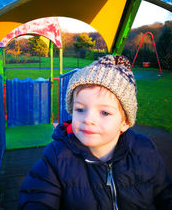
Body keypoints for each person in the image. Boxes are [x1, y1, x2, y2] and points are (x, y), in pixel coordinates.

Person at [19, 55, 172, 210]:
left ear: (124, 122)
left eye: (104, 113)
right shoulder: (57, 157)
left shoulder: (144, 151)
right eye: (80, 109)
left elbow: (164, 193)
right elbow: (37, 197)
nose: (88, 119)